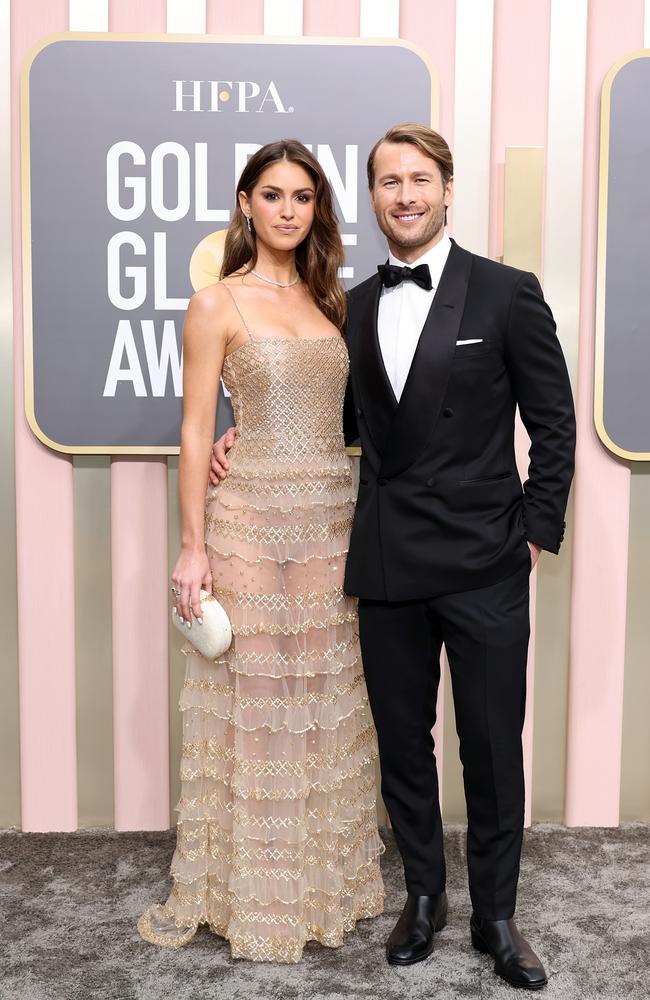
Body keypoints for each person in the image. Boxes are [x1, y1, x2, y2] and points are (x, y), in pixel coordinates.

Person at [211, 124, 576, 989]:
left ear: (448, 189)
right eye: (387, 183)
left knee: (489, 747)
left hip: (486, 560)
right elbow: (339, 426)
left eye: (419, 180)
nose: (404, 196)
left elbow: (554, 425)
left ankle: (495, 916)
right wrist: (242, 440)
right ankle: (424, 899)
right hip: (385, 563)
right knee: (404, 747)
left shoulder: (506, 294)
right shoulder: (354, 307)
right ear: (371, 199)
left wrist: (533, 531)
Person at [137, 139, 385, 964]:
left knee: (319, 695)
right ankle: (254, 894)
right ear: (245, 203)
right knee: (254, 698)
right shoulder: (216, 303)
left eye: (303, 196)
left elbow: (334, 412)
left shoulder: (331, 299)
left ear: (318, 210)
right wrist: (190, 548)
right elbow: (194, 428)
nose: (287, 209)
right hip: (246, 518)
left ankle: (319, 882)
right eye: (272, 194)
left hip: (329, 517)